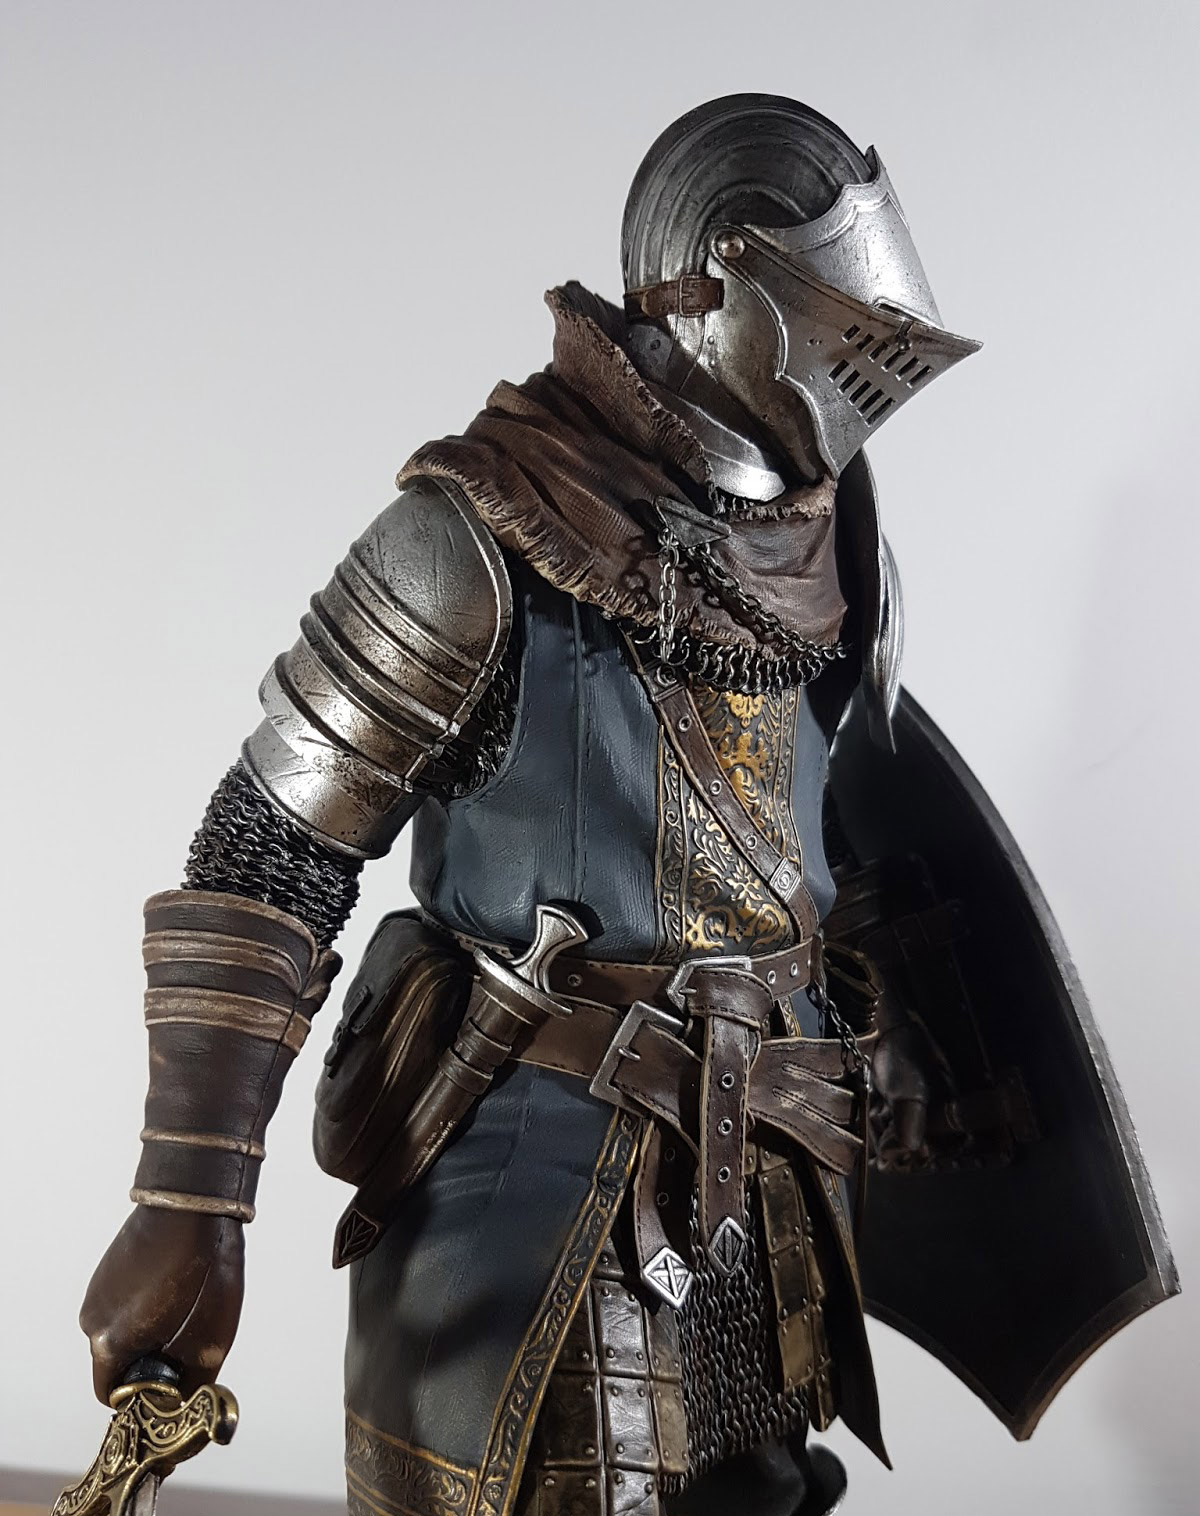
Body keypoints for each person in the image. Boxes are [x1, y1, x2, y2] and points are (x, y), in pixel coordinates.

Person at [77, 94, 1173, 1516]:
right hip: (534, 1201)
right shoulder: (472, 539)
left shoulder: (830, 540)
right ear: (716, 299)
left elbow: (835, 834)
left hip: (775, 1180)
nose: (879, 367)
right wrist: (186, 1206)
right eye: (846, 321)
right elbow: (265, 856)